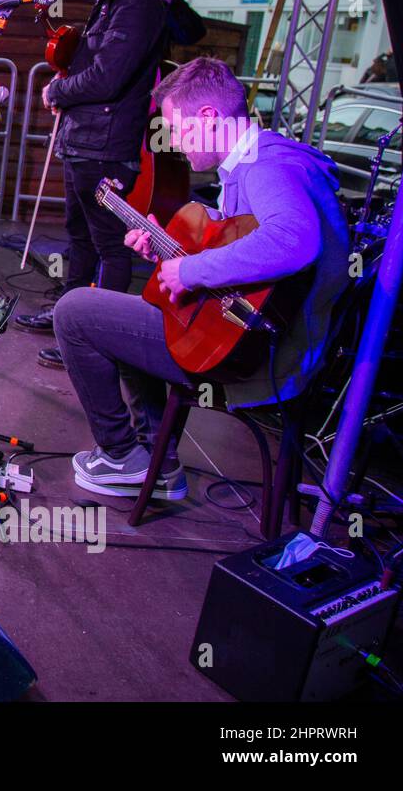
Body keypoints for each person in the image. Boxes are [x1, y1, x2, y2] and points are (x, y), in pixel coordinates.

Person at [53, 58, 350, 499]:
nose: (173, 142)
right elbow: (241, 237)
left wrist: (190, 268)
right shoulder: (260, 157)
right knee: (146, 308)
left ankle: (122, 455)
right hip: (264, 340)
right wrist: (169, 248)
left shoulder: (267, 167)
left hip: (259, 356)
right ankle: (158, 461)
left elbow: (293, 239)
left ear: (208, 118)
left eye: (178, 129)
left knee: (75, 311)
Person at [13, 0, 168, 369]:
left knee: (110, 245)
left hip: (108, 147)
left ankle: (96, 336)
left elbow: (108, 77)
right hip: (84, 142)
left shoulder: (137, 3)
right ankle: (67, 316)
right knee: (78, 236)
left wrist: (56, 89)